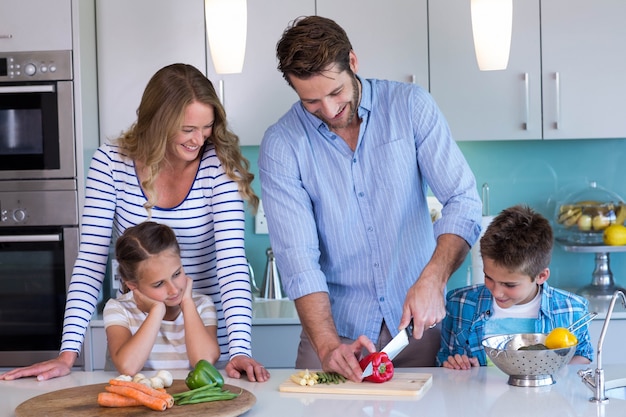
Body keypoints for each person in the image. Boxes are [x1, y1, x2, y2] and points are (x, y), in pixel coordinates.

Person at [0, 63, 270, 382]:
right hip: (135, 350)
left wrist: (239, 349)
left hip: (205, 349)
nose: (199, 139)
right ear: (157, 121)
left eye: (207, 126)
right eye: (188, 129)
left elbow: (232, 264)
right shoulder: (111, 163)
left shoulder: (218, 168)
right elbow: (90, 261)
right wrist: (67, 353)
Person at [258, 15, 482, 382]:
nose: (328, 111)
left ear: (353, 62)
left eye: (335, 93)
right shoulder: (282, 144)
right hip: (335, 339)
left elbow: (462, 200)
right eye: (311, 102)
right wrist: (328, 345)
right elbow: (298, 259)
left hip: (418, 333)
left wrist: (434, 278)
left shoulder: (410, 107)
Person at [437, 205, 594, 369]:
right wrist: (457, 366)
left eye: (509, 284)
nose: (496, 291)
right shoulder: (460, 304)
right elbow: (443, 359)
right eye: (488, 277)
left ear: (541, 276)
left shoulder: (572, 310)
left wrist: (556, 369)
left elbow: (584, 356)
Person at [105, 221, 220, 375]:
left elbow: (204, 361)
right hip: (142, 397)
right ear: (133, 285)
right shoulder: (118, 309)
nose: (173, 290)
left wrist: (187, 304)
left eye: (177, 274)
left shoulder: (201, 305)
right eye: (159, 284)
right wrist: (156, 311)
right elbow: (128, 367)